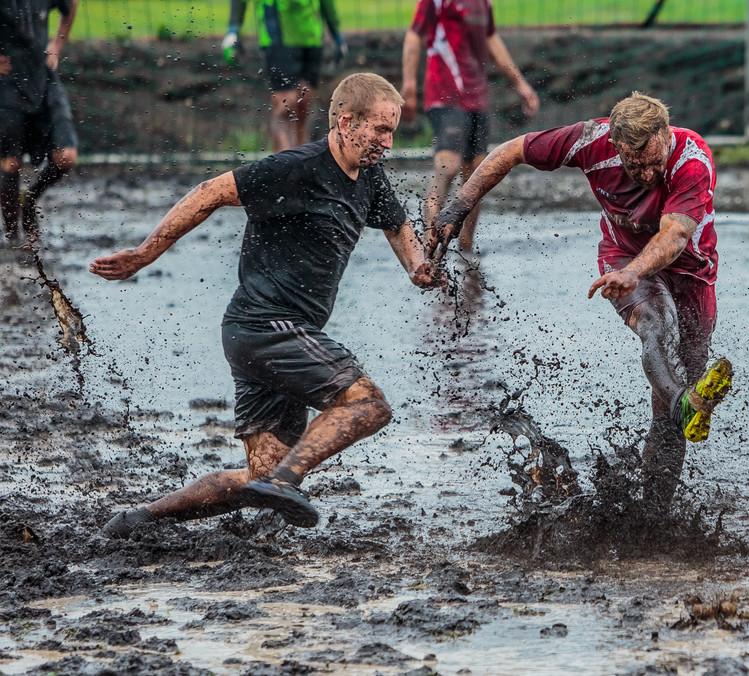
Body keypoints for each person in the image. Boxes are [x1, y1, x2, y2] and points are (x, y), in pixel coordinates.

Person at [92, 73, 436, 537]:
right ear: (346, 121)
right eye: (379, 129)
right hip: (266, 326)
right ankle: (287, 480)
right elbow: (210, 191)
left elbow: (397, 226)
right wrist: (143, 254)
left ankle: (138, 520)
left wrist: (418, 269)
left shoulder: (369, 177)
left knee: (257, 481)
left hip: (257, 337)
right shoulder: (297, 166)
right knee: (369, 405)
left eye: (392, 131)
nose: (388, 142)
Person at [429, 91, 733, 504]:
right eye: (633, 164)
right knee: (656, 326)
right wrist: (458, 208)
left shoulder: (691, 157)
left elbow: (675, 235)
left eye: (651, 162)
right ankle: (682, 401)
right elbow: (510, 150)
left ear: (665, 133)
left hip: (691, 272)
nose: (644, 173)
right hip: (623, 257)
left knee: (670, 418)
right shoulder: (590, 141)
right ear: (615, 146)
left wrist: (634, 272)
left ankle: (654, 512)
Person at [401, 0, 539, 253]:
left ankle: (466, 250)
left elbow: (491, 39)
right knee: (449, 165)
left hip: (476, 97)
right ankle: (429, 246)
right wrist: (409, 84)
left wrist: (520, 83)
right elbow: (414, 35)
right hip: (443, 94)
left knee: (478, 174)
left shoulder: (484, 3)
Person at [0, 0, 79, 244]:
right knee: (11, 164)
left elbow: (71, 4)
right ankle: (13, 238)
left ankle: (30, 198)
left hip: (44, 79)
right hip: (7, 85)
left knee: (66, 156)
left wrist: (57, 44)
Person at [221, 0, 347, 153]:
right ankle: (284, 167)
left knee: (303, 102)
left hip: (311, 35)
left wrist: (335, 32)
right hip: (277, 33)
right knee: (286, 106)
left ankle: (300, 161)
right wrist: (233, 28)